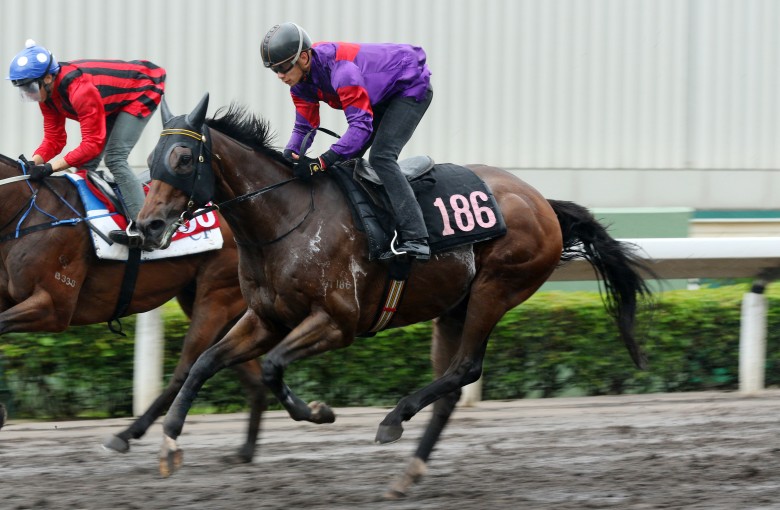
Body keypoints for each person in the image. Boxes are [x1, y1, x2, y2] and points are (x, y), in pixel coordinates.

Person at [261, 23, 433, 261]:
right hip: (378, 94)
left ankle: (417, 237)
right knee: (346, 162)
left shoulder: (342, 72)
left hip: (409, 88)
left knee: (381, 157)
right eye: (274, 70)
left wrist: (321, 162)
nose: (280, 76)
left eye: (282, 67)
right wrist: (289, 154)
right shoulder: (300, 83)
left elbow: (360, 127)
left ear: (303, 57)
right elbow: (304, 126)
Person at [7, 39, 166, 248]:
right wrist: (34, 162)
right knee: (85, 168)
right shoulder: (47, 95)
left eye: (30, 86)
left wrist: (50, 167)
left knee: (115, 158)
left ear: (47, 78)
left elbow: (92, 144)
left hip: (142, 88)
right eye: (23, 89)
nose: (29, 93)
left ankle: (147, 230)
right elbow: (54, 139)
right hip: (109, 100)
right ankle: (97, 222)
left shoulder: (80, 90)